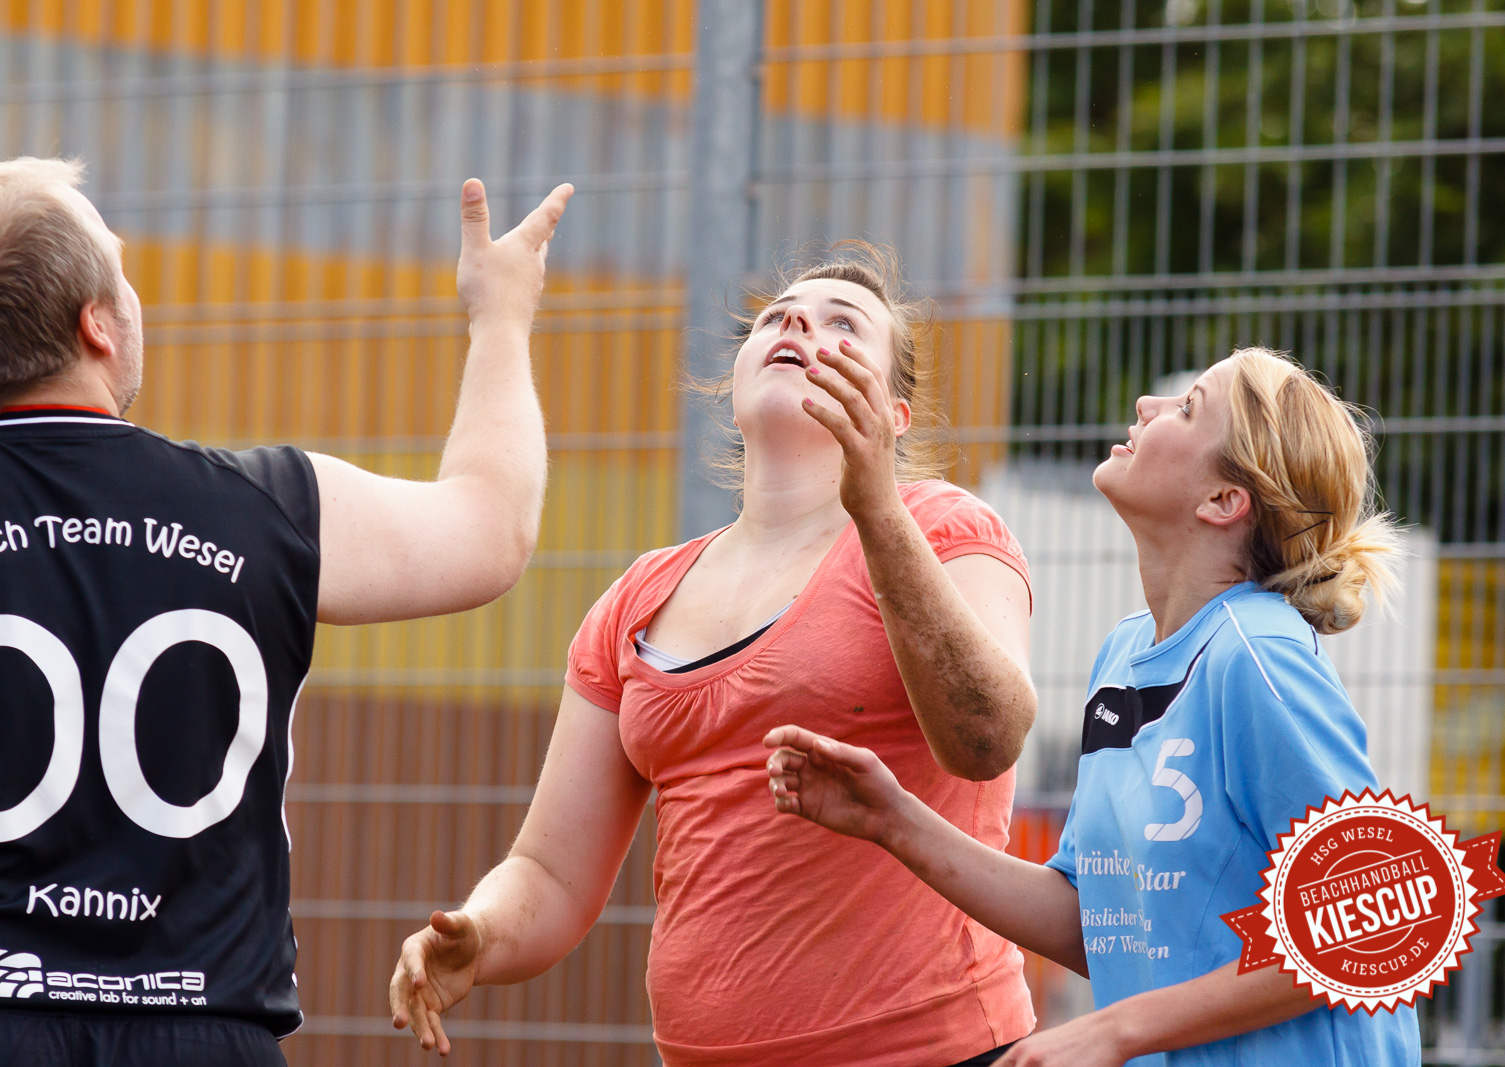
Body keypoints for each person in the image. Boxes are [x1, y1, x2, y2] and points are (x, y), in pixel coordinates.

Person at [0, 156, 571, 1065]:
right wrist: (501, 315)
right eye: (122, 267)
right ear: (97, 326)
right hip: (203, 1033)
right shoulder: (267, 505)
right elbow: (490, 529)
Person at [390, 246, 1039, 1065]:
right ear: (734, 380)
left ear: (895, 414)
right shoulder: (637, 597)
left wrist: (874, 505)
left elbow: (989, 736)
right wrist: (477, 934)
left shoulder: (944, 526)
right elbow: (550, 873)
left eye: (844, 325)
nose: (797, 321)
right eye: (776, 315)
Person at [764, 347, 1423, 1066]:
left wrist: (1111, 1030)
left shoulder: (1254, 651)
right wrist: (892, 819)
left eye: (1188, 407)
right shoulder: (1124, 655)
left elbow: (1374, 920)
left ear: (1223, 502)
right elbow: (1098, 920)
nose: (1147, 406)